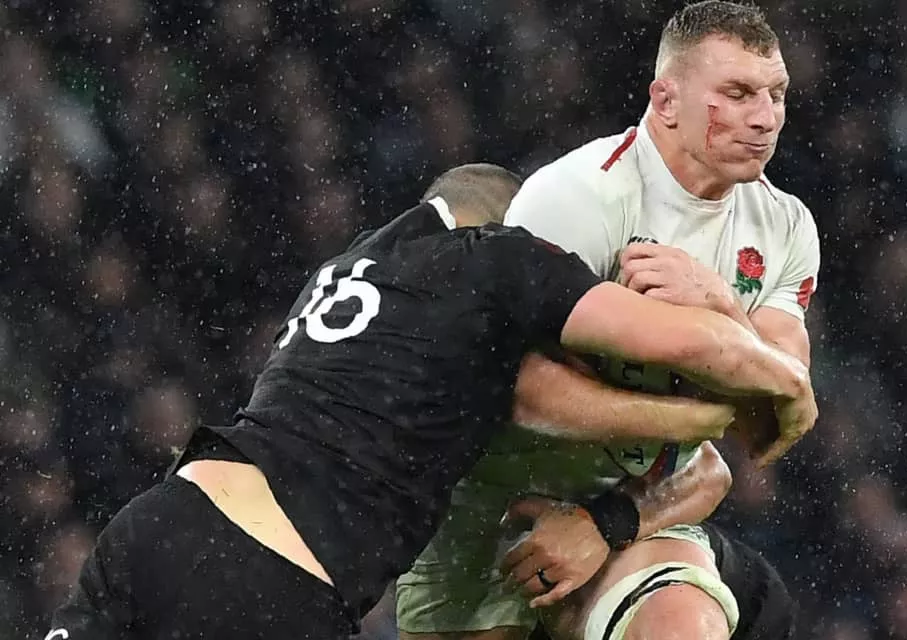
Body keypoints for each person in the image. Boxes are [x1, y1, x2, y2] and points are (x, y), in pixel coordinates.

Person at [47, 162, 815, 640]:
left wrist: (609, 518)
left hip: (159, 522)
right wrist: (775, 384)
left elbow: (702, 471)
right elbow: (688, 350)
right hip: (276, 576)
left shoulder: (342, 274)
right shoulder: (502, 262)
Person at [397, 2, 820, 639]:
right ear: (666, 100)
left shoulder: (785, 226)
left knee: (682, 627)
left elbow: (773, 422)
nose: (765, 118)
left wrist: (720, 306)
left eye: (776, 94)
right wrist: (693, 415)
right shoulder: (575, 197)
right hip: (488, 508)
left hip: (640, 510)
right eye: (737, 94)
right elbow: (513, 389)